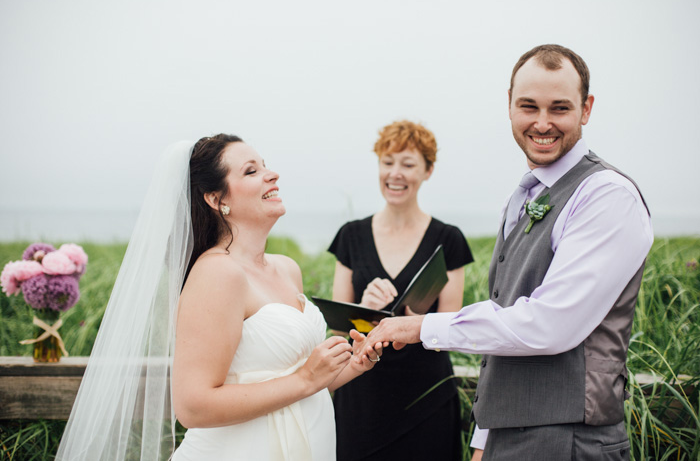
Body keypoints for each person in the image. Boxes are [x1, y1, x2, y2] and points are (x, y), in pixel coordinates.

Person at [361, 44, 653, 461]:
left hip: (568, 442)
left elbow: (550, 325)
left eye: (560, 108)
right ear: (510, 107)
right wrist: (484, 440)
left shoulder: (607, 195)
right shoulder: (521, 198)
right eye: (528, 106)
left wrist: (421, 327)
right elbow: (505, 322)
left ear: (586, 109)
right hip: (505, 440)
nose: (542, 123)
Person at [56, 134, 383, 461]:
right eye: (251, 171)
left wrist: (351, 365)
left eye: (265, 166)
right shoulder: (217, 274)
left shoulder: (287, 269)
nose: (272, 175)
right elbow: (193, 407)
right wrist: (305, 378)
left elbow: (300, 389)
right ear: (216, 199)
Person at [328, 120, 474, 460]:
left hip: (427, 397)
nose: (395, 174)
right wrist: (363, 310)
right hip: (361, 398)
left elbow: (452, 330)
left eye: (408, 165)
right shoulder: (350, 236)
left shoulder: (448, 239)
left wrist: (419, 321)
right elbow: (339, 329)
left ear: (428, 171)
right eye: (387, 162)